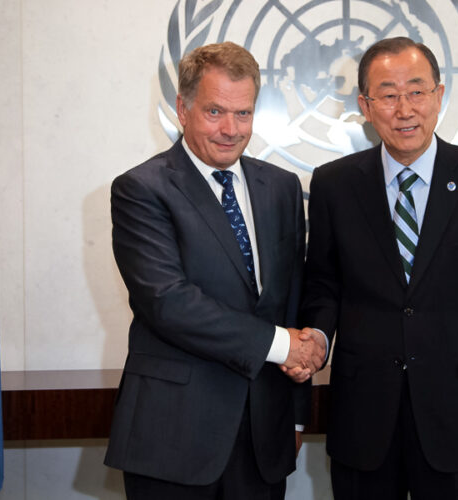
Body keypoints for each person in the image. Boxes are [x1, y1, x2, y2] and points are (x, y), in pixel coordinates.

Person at [300, 37, 458, 499]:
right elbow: (323, 284)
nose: (404, 109)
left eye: (417, 91)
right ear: (366, 105)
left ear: (439, 97)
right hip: (364, 413)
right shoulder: (334, 184)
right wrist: (318, 338)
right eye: (387, 94)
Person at [104, 41, 326, 499]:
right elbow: (169, 302)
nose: (230, 129)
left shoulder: (282, 188)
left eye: (243, 114)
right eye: (214, 112)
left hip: (265, 437)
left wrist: (297, 413)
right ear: (182, 110)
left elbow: (292, 297)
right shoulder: (141, 190)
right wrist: (285, 345)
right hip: (173, 440)